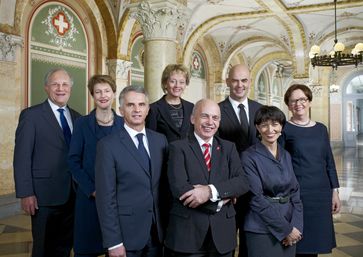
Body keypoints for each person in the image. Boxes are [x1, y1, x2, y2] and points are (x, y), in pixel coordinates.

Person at [164, 99, 249, 257]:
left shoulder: (228, 148)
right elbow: (180, 188)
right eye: (204, 116)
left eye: (215, 118)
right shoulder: (177, 148)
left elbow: (242, 182)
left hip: (222, 236)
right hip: (188, 236)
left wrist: (210, 191)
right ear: (192, 118)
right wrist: (222, 200)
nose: (210, 122)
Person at [13, 68, 81, 257]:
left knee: (64, 247)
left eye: (65, 84)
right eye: (55, 84)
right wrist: (26, 193)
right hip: (43, 196)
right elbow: (22, 157)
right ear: (46, 88)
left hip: (72, 194)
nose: (61, 88)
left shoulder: (77, 117)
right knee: (43, 248)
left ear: (70, 88)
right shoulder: (31, 116)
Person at [95, 85, 168, 257]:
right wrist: (113, 242)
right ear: (121, 110)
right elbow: (106, 199)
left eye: (141, 105)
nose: (137, 110)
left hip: (158, 233)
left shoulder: (160, 141)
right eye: (130, 105)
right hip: (126, 237)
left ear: (148, 109)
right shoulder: (107, 146)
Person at [281, 84, 341, 257]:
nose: (298, 104)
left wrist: (334, 191)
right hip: (298, 194)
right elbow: (281, 164)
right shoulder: (285, 129)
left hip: (321, 194)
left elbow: (328, 161)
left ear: (309, 102)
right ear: (288, 104)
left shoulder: (321, 129)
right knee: (297, 243)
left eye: (302, 99)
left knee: (314, 245)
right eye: (293, 100)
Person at [68, 75, 124, 257]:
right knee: (86, 249)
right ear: (92, 95)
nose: (103, 95)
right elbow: (73, 161)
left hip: (118, 199)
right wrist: (91, 190)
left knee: (115, 248)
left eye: (107, 91)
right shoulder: (81, 124)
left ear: (114, 94)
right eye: (98, 91)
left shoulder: (124, 124)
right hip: (89, 198)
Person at [241, 105, 303, 257]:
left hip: (290, 225)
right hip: (261, 228)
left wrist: (296, 226)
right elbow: (256, 199)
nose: (270, 129)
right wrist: (285, 230)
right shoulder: (249, 156)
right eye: (264, 125)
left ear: (281, 126)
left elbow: (295, 191)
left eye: (275, 124)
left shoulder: (286, 154)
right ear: (257, 127)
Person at [218, 64, 262, 257]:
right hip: (230, 189)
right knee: (226, 240)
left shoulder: (260, 110)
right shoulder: (217, 111)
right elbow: (216, 155)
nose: (239, 85)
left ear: (250, 82)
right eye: (235, 80)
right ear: (227, 82)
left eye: (244, 80)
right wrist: (228, 187)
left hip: (257, 187)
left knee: (252, 240)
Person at [146, 64, 194, 142]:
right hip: (164, 153)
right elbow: (150, 139)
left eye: (182, 82)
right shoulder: (154, 109)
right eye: (173, 81)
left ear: (185, 84)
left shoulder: (191, 107)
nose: (177, 85)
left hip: (187, 153)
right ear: (165, 83)